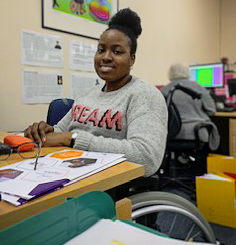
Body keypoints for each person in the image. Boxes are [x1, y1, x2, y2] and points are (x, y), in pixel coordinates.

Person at [24, 8, 168, 177]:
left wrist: (74, 139)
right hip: (64, 170)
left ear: (132, 59)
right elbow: (59, 133)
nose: (106, 57)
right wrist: (43, 132)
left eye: (117, 51)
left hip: (107, 184)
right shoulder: (86, 95)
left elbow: (146, 157)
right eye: (101, 49)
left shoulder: (144, 95)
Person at [161, 62, 220, 150]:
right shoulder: (197, 87)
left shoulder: (164, 90)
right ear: (188, 72)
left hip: (171, 135)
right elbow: (211, 110)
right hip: (197, 133)